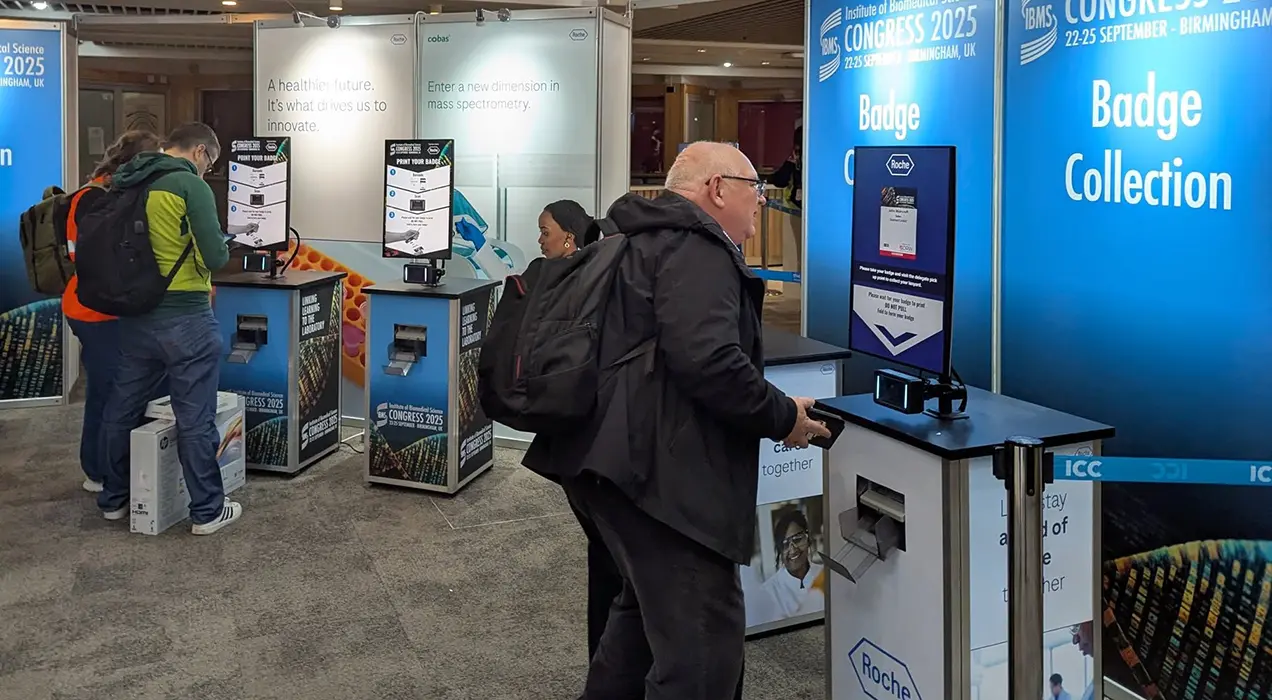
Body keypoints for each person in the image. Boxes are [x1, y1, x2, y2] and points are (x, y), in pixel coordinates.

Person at [522, 141, 830, 699]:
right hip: (664, 487)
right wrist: (783, 415)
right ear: (717, 189)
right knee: (702, 654)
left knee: (641, 620)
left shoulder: (630, 238)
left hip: (605, 468)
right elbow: (709, 359)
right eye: (753, 189)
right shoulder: (697, 248)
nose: (760, 203)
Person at [97, 122, 242, 535]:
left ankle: (114, 499)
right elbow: (213, 256)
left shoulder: (125, 181)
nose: (207, 170)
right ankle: (208, 511)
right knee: (195, 416)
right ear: (199, 152)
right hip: (185, 315)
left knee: (122, 408)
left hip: (135, 315)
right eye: (209, 163)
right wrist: (222, 242)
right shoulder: (187, 185)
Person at [63, 130, 162, 494]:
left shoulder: (89, 193)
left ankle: (99, 468)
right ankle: (102, 471)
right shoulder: (112, 198)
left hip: (86, 303)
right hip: (102, 310)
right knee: (110, 392)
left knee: (104, 390)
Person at [756, 508, 825, 622]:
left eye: (798, 539)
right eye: (785, 544)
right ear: (779, 550)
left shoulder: (825, 576)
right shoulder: (768, 592)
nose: (793, 549)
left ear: (808, 539)